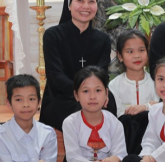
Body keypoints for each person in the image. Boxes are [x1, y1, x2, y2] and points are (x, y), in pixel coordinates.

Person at [40, 0, 116, 132]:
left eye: (91, 1)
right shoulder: (52, 35)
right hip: (61, 97)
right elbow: (56, 76)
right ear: (69, 5)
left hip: (92, 96)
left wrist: (90, 93)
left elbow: (101, 74)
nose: (86, 6)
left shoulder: (103, 39)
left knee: (110, 103)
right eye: (80, 1)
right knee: (80, 111)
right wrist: (82, 94)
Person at [0, 74, 65, 162]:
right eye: (19, 100)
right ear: (9, 103)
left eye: (31, 99)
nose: (26, 105)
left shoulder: (48, 133)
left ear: (39, 102)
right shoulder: (0, 135)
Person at [62, 66, 128, 162]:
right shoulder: (70, 122)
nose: (92, 96)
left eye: (98, 90)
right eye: (86, 91)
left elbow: (120, 153)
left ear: (106, 93)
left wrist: (114, 159)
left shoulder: (114, 122)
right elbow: (73, 158)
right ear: (76, 95)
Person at [109, 29, 160, 155]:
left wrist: (145, 107)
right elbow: (114, 117)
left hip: (153, 138)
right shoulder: (114, 85)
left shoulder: (156, 82)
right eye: (130, 51)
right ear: (120, 56)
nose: (137, 55)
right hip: (125, 139)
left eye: (141, 50)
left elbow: (164, 108)